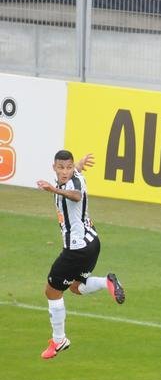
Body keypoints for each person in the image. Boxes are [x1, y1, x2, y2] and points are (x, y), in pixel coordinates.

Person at [35, 150, 125, 359]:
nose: (65, 171)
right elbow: (73, 175)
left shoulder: (69, 187)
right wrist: (79, 165)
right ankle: (107, 282)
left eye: (68, 167)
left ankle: (59, 340)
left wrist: (52, 189)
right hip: (92, 243)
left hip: (76, 250)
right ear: (54, 167)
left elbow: (76, 195)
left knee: (52, 291)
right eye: (61, 167)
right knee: (76, 287)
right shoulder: (75, 175)